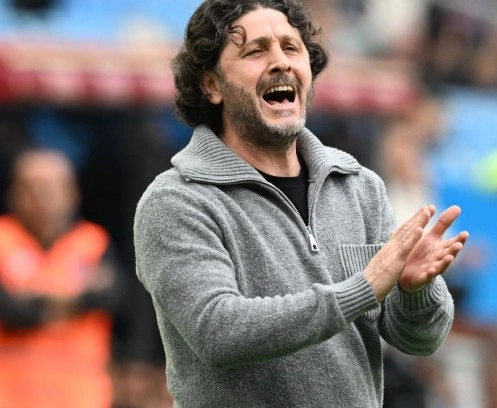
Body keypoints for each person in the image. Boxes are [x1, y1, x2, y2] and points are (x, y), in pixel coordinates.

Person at [133, 0, 468, 407]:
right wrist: (362, 288)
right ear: (211, 85)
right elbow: (218, 332)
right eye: (255, 51)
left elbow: (420, 340)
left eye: (292, 48)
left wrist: (415, 291)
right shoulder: (177, 201)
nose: (281, 62)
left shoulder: (359, 186)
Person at [0, 149, 123, 408]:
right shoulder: (3, 238)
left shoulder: (94, 242)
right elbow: (11, 312)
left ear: (73, 193)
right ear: (12, 194)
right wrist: (76, 298)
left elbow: (112, 299)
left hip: (80, 394)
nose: (42, 198)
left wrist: (33, 296)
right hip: (10, 394)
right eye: (31, 189)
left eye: (52, 189)